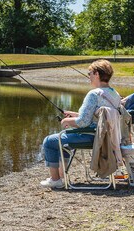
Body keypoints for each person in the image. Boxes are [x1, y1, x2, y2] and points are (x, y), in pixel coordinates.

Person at [40, 59, 121, 189]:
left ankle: (55, 179)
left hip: (93, 137)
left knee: (49, 141)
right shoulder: (114, 93)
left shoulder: (93, 94)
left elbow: (83, 123)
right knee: (61, 140)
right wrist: (75, 115)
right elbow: (99, 117)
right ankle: (62, 177)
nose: (88, 76)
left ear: (96, 74)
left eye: (90, 73)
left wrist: (67, 120)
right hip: (107, 137)